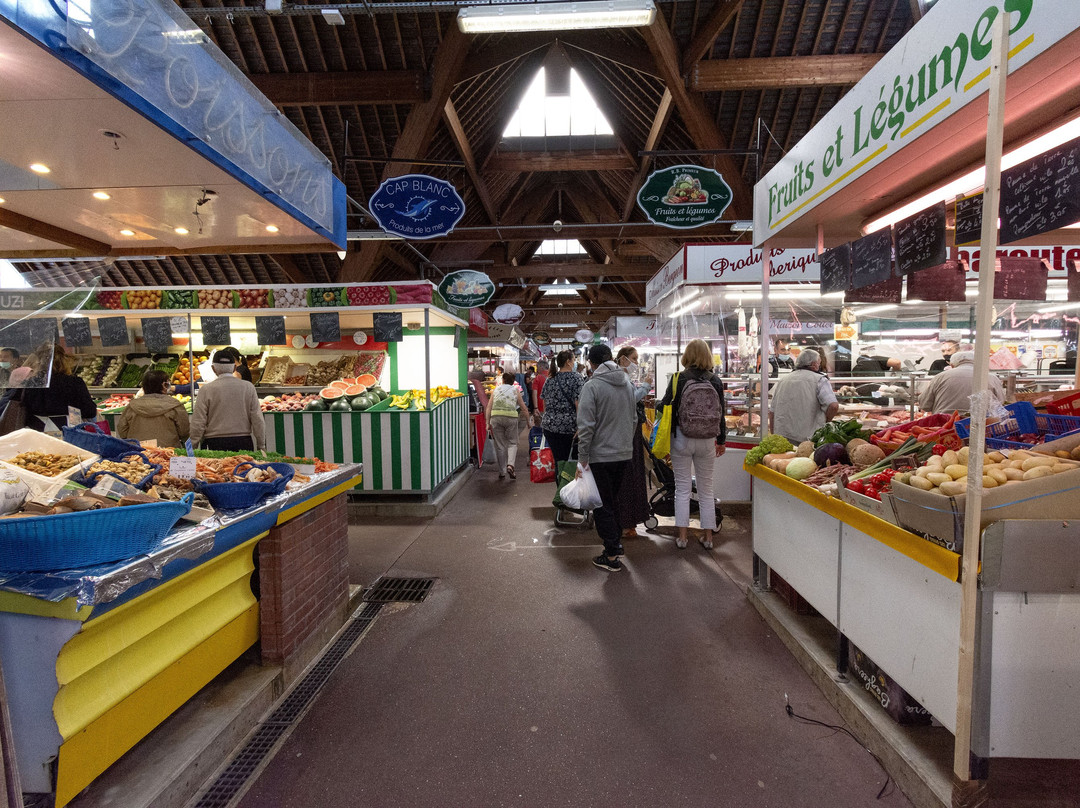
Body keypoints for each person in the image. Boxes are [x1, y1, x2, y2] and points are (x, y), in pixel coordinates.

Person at [657, 339, 726, 550]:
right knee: (706, 489)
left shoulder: (679, 378)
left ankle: (683, 537)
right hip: (707, 440)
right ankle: (708, 538)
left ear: (687, 356)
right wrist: (721, 440)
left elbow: (665, 405)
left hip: (682, 438)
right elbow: (721, 413)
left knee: (682, 488)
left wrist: (660, 405)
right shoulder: (715, 380)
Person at [576, 344, 637, 573]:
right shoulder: (628, 384)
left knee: (602, 504)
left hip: (600, 456)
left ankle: (611, 554)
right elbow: (633, 420)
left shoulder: (592, 387)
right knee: (613, 500)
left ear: (591, 364)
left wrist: (582, 458)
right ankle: (616, 545)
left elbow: (586, 426)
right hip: (623, 453)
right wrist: (624, 444)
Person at [1, 343, 97, 431]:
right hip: (71, 435)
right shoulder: (75, 382)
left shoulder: (30, 384)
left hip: (37, 437)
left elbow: (13, 406)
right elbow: (90, 411)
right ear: (64, 360)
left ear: (38, 362)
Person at [190, 349, 266, 451]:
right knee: (243, 467)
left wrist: (192, 447)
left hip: (214, 443)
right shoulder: (248, 387)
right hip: (243, 442)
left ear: (213, 369)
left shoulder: (205, 390)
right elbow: (258, 419)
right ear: (235, 367)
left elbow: (198, 422)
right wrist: (261, 446)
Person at [615, 346, 652, 540]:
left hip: (630, 430)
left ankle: (629, 521)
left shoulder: (624, 378)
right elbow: (629, 399)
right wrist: (646, 386)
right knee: (629, 475)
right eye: (633, 358)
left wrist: (643, 415)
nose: (636, 362)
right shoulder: (620, 378)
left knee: (632, 474)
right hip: (626, 434)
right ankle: (626, 521)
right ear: (623, 359)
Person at [770, 348, 839, 444]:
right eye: (819, 363)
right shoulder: (820, 380)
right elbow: (833, 406)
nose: (819, 365)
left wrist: (774, 435)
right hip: (808, 440)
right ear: (814, 364)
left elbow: (772, 411)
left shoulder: (783, 380)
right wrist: (826, 421)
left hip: (783, 438)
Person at [117, 369, 190, 448]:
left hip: (137, 453)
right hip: (168, 453)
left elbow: (122, 431)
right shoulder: (175, 405)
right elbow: (184, 432)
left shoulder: (131, 406)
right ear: (164, 386)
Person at [920, 350, 1004, 414]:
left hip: (944, 427)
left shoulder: (939, 377)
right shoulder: (992, 378)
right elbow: (1001, 404)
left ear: (952, 365)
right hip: (981, 427)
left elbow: (925, 405)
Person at [540, 350, 585, 467]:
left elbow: (544, 402)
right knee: (570, 462)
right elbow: (578, 404)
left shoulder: (549, 379)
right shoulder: (577, 378)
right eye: (574, 360)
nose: (574, 362)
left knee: (559, 461)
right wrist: (581, 426)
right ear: (568, 362)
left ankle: (560, 483)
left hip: (550, 426)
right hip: (570, 427)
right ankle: (568, 484)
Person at [485, 371, 529, 479]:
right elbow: (523, 407)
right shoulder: (515, 390)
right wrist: (528, 421)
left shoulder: (496, 390)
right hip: (511, 418)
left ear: (503, 380)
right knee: (513, 443)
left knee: (500, 446)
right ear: (513, 381)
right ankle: (510, 465)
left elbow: (489, 407)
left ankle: (502, 471)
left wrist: (487, 422)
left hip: (496, 417)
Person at [531, 360, 549, 426]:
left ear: (541, 367)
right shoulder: (553, 376)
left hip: (540, 408)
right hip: (551, 408)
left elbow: (534, 393)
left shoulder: (538, 378)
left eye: (537, 367)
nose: (537, 369)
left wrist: (535, 408)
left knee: (540, 429)